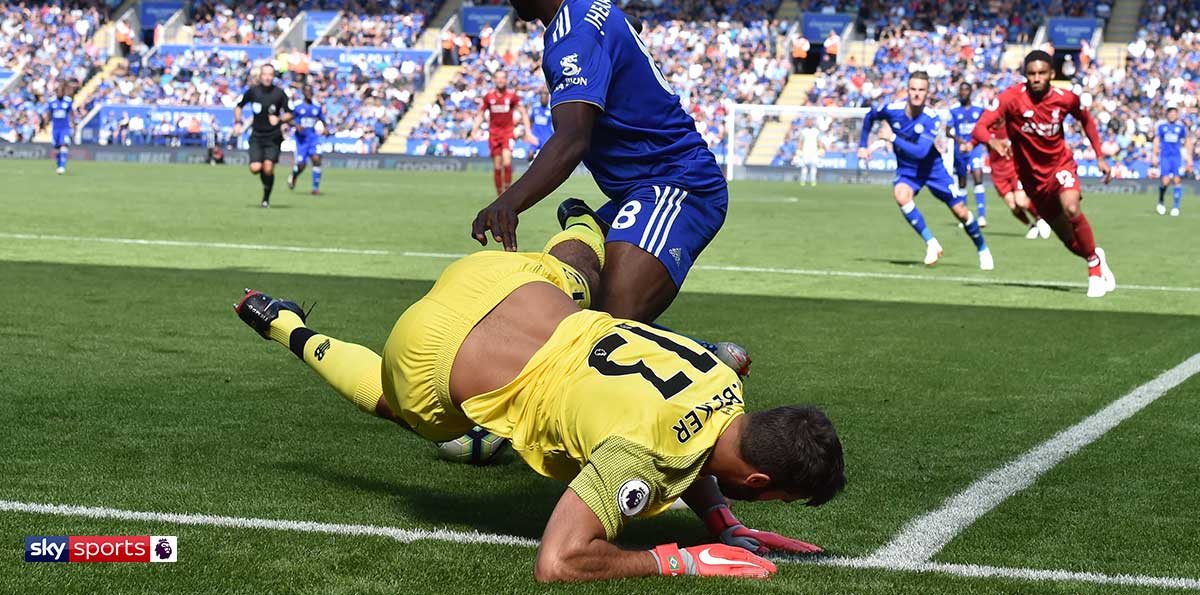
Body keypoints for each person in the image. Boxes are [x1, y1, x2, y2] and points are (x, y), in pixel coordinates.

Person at [235, 205, 844, 583]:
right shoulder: (638, 461)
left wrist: (721, 521)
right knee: (397, 406)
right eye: (779, 500)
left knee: (577, 279)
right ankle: (285, 326)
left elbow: (701, 438)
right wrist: (682, 559)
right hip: (428, 354)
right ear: (761, 483)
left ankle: (580, 220)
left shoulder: (724, 376)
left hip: (501, 279)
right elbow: (559, 562)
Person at [472, 0, 734, 341]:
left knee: (614, 324)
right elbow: (627, 25)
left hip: (677, 184)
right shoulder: (591, 7)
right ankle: (591, 223)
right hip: (642, 189)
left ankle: (708, 358)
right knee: (577, 309)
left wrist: (509, 202)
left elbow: (574, 137)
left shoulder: (572, 36)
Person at [972, 50, 1115, 298]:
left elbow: (1086, 120)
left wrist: (1100, 156)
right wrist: (993, 142)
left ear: (1051, 74)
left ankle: (1093, 268)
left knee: (1071, 208)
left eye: (1041, 73)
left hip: (1060, 166)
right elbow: (980, 128)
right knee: (1068, 240)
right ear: (1025, 75)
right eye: (1031, 74)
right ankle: (1095, 255)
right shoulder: (1011, 98)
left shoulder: (1066, 98)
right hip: (1032, 180)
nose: (1036, 78)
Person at [859, 71, 993, 270]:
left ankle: (982, 248)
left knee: (961, 213)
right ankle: (932, 243)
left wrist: (893, 138)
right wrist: (863, 145)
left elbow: (921, 152)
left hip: (933, 169)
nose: (916, 94)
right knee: (901, 195)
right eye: (913, 89)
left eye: (921, 90)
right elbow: (870, 116)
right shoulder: (892, 109)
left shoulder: (931, 118)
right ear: (907, 90)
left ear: (927, 93)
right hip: (908, 170)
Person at [980, 121, 1050, 240]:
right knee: (1013, 206)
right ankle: (1031, 226)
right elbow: (975, 138)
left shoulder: (1010, 125)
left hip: (1014, 170)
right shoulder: (987, 130)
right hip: (998, 175)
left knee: (1021, 201)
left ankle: (1040, 219)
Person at [234, 64, 292, 208]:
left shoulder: (279, 93)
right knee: (255, 168)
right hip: (257, 136)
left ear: (273, 76)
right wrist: (237, 122)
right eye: (265, 74)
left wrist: (279, 119)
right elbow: (239, 106)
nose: (267, 77)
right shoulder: (253, 92)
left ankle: (266, 199)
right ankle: (265, 180)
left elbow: (290, 113)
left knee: (268, 168)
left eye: (270, 74)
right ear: (260, 75)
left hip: (273, 137)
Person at [478, 69, 531, 196]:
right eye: (498, 78)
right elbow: (480, 115)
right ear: (495, 80)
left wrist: (527, 131)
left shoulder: (512, 96)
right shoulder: (488, 97)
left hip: (507, 133)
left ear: (506, 80)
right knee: (497, 166)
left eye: (503, 78)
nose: (500, 80)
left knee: (507, 161)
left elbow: (523, 112)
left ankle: (507, 193)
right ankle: (499, 195)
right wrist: (474, 131)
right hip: (494, 134)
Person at [948, 82, 988, 226]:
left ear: (971, 91)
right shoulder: (954, 111)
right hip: (960, 151)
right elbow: (948, 131)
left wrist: (979, 142)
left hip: (974, 149)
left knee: (978, 177)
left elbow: (985, 127)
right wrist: (959, 141)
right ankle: (964, 217)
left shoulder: (979, 109)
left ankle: (982, 216)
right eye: (961, 90)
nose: (963, 92)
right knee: (962, 183)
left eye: (966, 90)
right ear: (959, 92)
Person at [288, 86, 329, 195]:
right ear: (303, 93)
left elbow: (323, 119)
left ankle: (315, 188)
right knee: (301, 165)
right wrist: (296, 125)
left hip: (313, 138)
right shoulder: (297, 106)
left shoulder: (316, 106)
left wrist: (326, 129)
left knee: (316, 159)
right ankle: (294, 175)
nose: (309, 93)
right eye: (307, 91)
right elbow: (288, 119)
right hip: (300, 140)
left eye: (311, 91)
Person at [1154, 105, 1191, 216]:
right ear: (1167, 114)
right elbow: (1156, 140)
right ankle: (1161, 201)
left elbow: (1187, 140)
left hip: (1176, 157)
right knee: (1165, 181)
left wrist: (1188, 156)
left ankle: (1176, 207)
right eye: (1170, 113)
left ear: (1177, 115)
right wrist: (1154, 155)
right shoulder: (1162, 127)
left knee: (1177, 180)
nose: (1172, 115)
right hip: (1165, 157)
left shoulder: (1180, 127)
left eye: (1174, 113)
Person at [48, 84, 73, 175]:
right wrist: (46, 124)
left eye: (61, 91)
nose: (59, 93)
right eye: (58, 92)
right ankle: (59, 165)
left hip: (65, 128)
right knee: (57, 148)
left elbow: (71, 112)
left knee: (64, 145)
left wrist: (73, 123)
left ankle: (62, 166)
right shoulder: (51, 101)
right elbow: (49, 113)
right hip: (55, 128)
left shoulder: (68, 101)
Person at [529, 90, 554, 159]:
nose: (543, 99)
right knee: (530, 155)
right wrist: (530, 132)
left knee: (546, 157)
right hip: (535, 135)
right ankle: (530, 168)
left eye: (545, 98)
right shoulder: (535, 108)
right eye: (542, 98)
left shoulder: (551, 109)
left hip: (546, 136)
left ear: (548, 99)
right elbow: (531, 120)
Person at [799, 118, 820, 186]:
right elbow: (801, 142)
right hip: (805, 151)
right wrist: (799, 150)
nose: (810, 123)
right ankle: (803, 181)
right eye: (808, 121)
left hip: (814, 151)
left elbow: (818, 141)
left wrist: (821, 149)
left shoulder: (816, 131)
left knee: (813, 166)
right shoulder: (803, 131)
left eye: (811, 121)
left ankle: (813, 181)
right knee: (804, 166)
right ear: (806, 122)